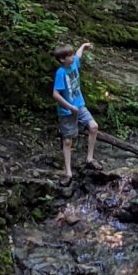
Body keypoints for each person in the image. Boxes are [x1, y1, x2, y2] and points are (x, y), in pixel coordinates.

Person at [53, 40, 99, 182]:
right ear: (62, 59)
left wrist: (83, 47)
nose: (73, 57)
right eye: (70, 56)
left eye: (72, 55)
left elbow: (78, 55)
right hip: (67, 111)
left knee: (93, 127)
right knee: (68, 141)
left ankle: (89, 159)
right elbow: (55, 94)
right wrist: (69, 107)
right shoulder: (61, 73)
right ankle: (68, 173)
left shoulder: (73, 63)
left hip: (79, 105)